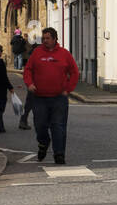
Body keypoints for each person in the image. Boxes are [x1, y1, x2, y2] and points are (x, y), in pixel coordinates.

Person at [22, 27, 79, 164]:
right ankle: (44, 142)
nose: (45, 41)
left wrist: (68, 89)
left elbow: (74, 72)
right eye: (43, 38)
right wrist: (29, 84)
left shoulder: (64, 54)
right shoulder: (37, 53)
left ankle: (59, 154)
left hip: (59, 98)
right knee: (40, 125)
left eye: (48, 38)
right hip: (40, 97)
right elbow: (28, 70)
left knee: (58, 126)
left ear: (54, 39)